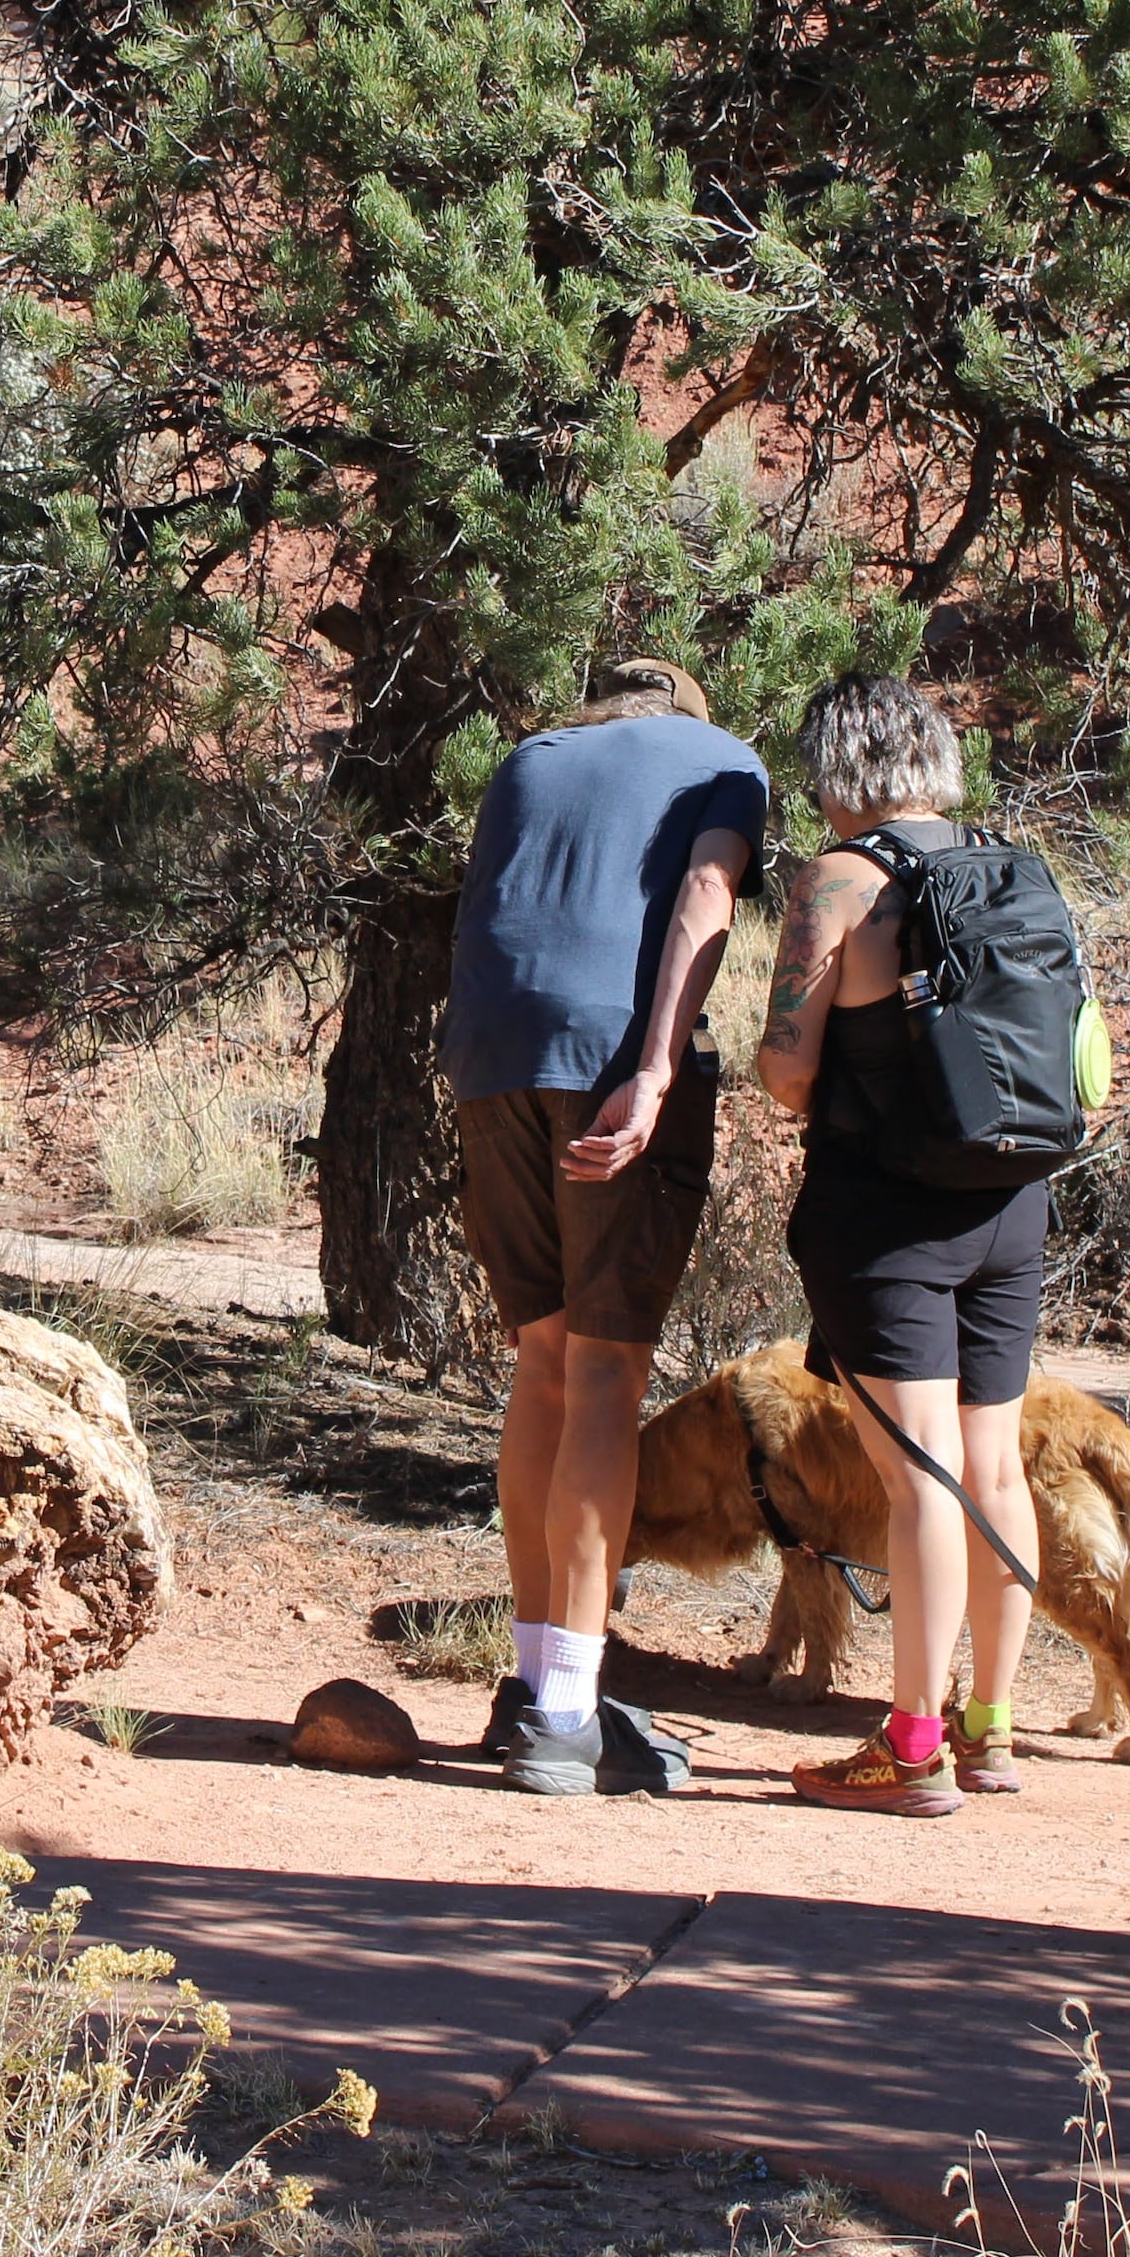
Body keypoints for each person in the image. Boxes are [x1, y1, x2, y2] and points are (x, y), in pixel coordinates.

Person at [441, 656, 769, 1796]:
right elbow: (705, 898)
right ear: (689, 710)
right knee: (605, 1375)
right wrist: (657, 1071)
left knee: (541, 1362)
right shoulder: (722, 761)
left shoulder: (526, 759)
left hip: (486, 1060)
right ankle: (568, 1716)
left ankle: (537, 1686)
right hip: (605, 1055)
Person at [753, 673, 1060, 1818]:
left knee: (915, 1472)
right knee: (989, 1465)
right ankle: (989, 1731)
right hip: (1012, 1201)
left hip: (883, 1214)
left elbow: (787, 1069)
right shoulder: (1013, 868)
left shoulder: (837, 877)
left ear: (838, 770)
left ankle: (911, 1746)